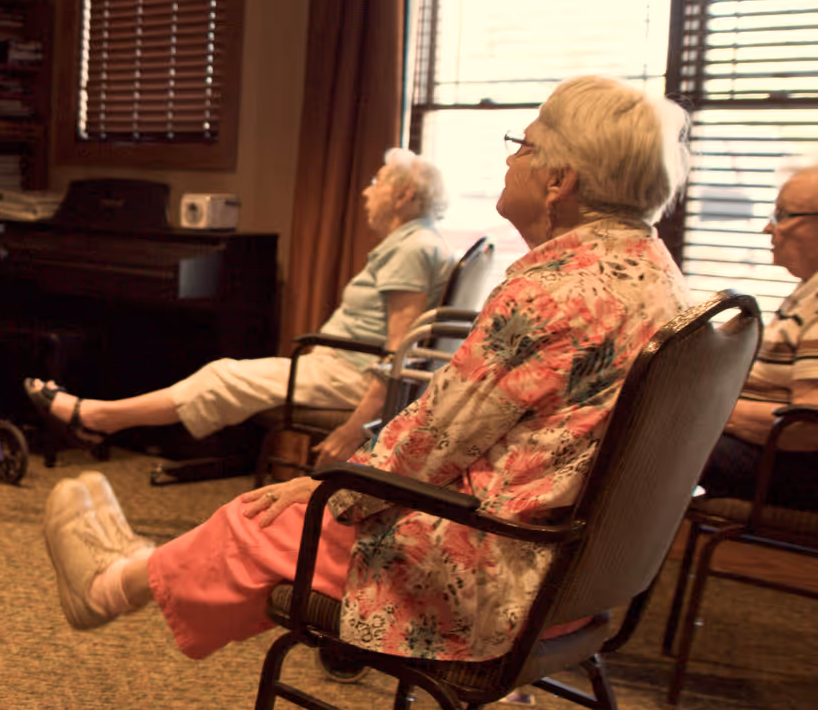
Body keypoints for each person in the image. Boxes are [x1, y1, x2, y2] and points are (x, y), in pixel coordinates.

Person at [42, 75, 692, 665]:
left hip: (496, 579)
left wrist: (335, 481)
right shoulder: (666, 284)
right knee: (304, 503)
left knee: (267, 514)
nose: (509, 157)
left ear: (560, 180)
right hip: (583, 579)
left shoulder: (552, 292)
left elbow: (433, 439)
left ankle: (112, 585)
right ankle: (135, 564)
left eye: (524, 144)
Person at [25, 148, 454, 455]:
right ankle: (103, 418)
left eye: (377, 181)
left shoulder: (411, 249)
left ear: (403, 196)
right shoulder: (420, 241)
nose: (365, 191)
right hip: (337, 367)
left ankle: (98, 417)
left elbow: (400, 351)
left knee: (221, 378)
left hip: (349, 375)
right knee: (221, 373)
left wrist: (356, 426)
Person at [697, 165, 818, 510]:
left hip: (794, 468)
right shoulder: (808, 289)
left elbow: (809, 425)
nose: (769, 227)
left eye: (782, 215)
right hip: (769, 453)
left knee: (642, 447)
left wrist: (708, 409)